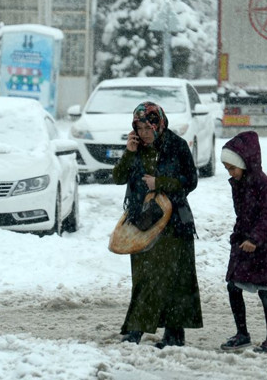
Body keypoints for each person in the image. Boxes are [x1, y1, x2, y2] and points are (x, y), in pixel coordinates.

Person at [113, 101, 203, 348]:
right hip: (143, 221)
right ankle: (136, 329)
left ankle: (174, 335)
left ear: (158, 123)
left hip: (174, 222)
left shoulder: (177, 145)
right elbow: (118, 177)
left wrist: (160, 182)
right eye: (138, 128)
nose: (143, 133)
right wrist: (129, 152)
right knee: (144, 278)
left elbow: (191, 181)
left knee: (175, 279)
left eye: (146, 127)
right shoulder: (137, 148)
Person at [218, 131, 267, 354]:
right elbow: (242, 215)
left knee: (265, 292)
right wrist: (238, 236)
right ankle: (242, 334)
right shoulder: (239, 183)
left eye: (232, 168)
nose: (230, 173)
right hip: (244, 243)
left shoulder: (264, 185)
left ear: (244, 163)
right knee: (233, 286)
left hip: (265, 246)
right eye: (227, 169)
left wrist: (255, 239)